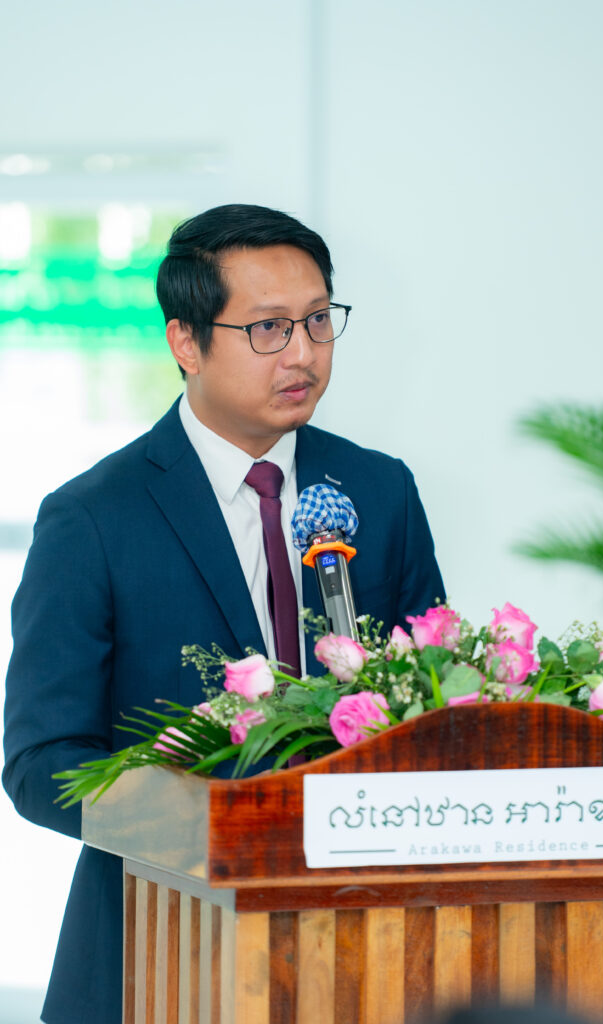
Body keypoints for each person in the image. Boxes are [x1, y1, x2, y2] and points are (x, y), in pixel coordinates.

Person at [2, 204, 445, 1024]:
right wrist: (204, 823)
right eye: (268, 328)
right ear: (186, 341)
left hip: (363, 953)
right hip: (158, 944)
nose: (303, 353)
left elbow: (431, 706)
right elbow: (40, 764)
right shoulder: (93, 517)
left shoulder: (379, 490)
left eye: (318, 321)